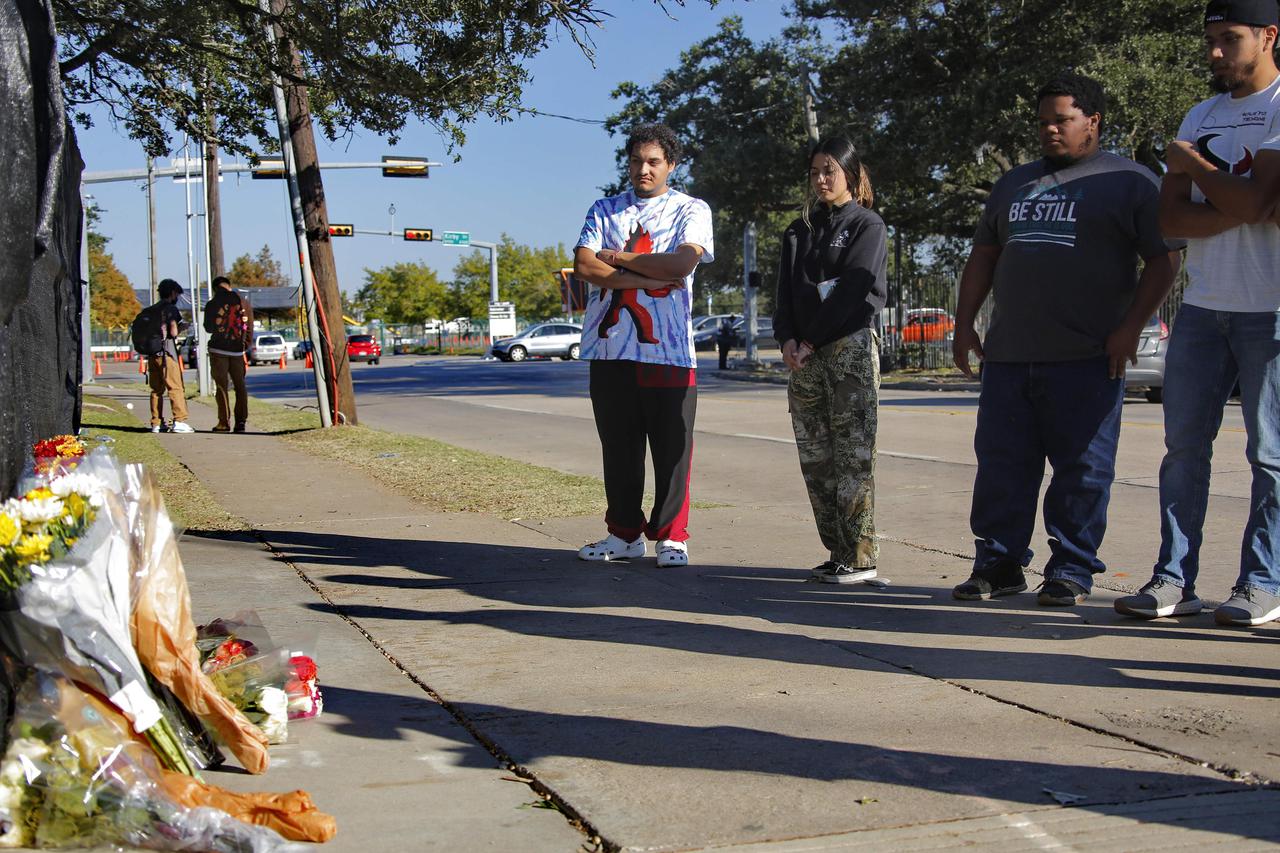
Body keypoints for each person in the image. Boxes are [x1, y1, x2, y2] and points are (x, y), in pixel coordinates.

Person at [950, 72, 1182, 607]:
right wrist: (964, 323)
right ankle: (999, 564)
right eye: (1043, 122)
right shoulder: (1014, 184)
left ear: (1093, 121)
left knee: (1082, 471)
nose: (1050, 131)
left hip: (1087, 359)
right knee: (1003, 466)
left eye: (1062, 120)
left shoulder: (1130, 180)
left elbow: (1164, 261)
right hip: (1010, 355)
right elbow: (984, 255)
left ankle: (1072, 568)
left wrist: (1129, 329)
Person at [1116, 0, 1280, 626]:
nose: (1215, 52)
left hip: (1270, 311)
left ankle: (1259, 583)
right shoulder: (1200, 113)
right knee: (1184, 449)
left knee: (1269, 455)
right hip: (1204, 309)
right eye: (1210, 39)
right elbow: (1171, 221)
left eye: (1228, 39)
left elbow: (1259, 197)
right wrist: (1242, 202)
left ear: (1269, 36)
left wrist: (1195, 167)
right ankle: (1173, 581)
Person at [572, 123, 715, 568]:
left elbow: (681, 261)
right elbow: (583, 265)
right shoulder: (605, 209)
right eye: (636, 161)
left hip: (667, 349)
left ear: (671, 165)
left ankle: (672, 537)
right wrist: (643, 276)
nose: (643, 169)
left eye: (653, 161)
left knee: (672, 447)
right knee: (619, 447)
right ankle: (624, 535)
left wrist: (616, 257)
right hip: (609, 348)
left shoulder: (691, 209)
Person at [773, 136, 888, 583]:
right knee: (816, 458)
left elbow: (853, 295)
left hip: (847, 352)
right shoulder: (798, 230)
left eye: (830, 171)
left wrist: (811, 341)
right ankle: (839, 548)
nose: (822, 179)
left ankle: (861, 555)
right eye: (816, 171)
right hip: (803, 356)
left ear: (851, 176)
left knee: (853, 456)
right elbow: (786, 293)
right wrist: (786, 339)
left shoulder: (866, 225)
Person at [204, 275, 254, 433]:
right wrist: (244, 346)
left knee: (221, 386)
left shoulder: (212, 304)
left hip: (218, 349)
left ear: (215, 288)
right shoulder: (243, 302)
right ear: (229, 286)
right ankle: (241, 422)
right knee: (240, 386)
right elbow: (250, 327)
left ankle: (223, 422)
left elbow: (208, 328)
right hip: (237, 350)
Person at [146, 279, 194, 434]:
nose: (178, 298)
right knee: (175, 387)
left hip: (152, 354)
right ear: (173, 293)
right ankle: (179, 420)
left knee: (156, 390)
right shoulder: (170, 309)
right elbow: (173, 332)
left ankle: (156, 422)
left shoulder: (151, 309)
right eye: (177, 294)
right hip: (167, 354)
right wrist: (182, 327)